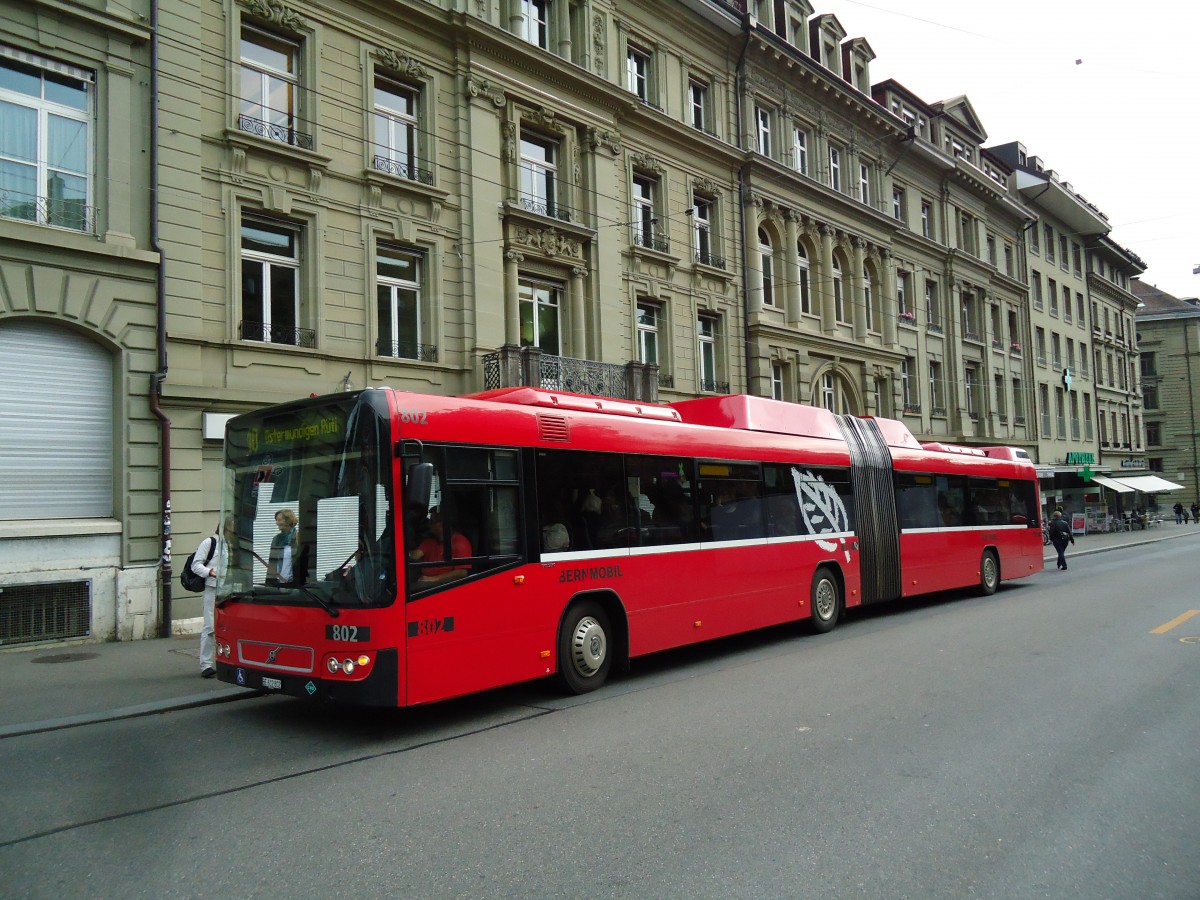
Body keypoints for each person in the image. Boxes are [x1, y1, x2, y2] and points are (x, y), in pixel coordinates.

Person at [191, 516, 234, 678]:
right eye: (232, 527)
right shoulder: (210, 542)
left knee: (229, 627)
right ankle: (206, 665)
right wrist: (210, 572)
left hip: (229, 589)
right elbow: (196, 565)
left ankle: (227, 660)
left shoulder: (232, 544)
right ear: (226, 527)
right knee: (210, 627)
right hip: (212, 588)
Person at [409, 509, 472, 585]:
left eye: (431, 522)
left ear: (441, 525)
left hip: (443, 585)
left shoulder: (459, 542)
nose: (428, 525)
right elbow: (414, 556)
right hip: (424, 581)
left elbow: (462, 573)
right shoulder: (430, 541)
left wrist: (433, 579)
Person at [267, 509, 298, 585]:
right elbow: (272, 563)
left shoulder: (299, 538)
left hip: (293, 583)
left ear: (288, 521)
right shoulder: (276, 539)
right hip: (277, 583)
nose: (277, 523)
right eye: (276, 520)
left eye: (279, 520)